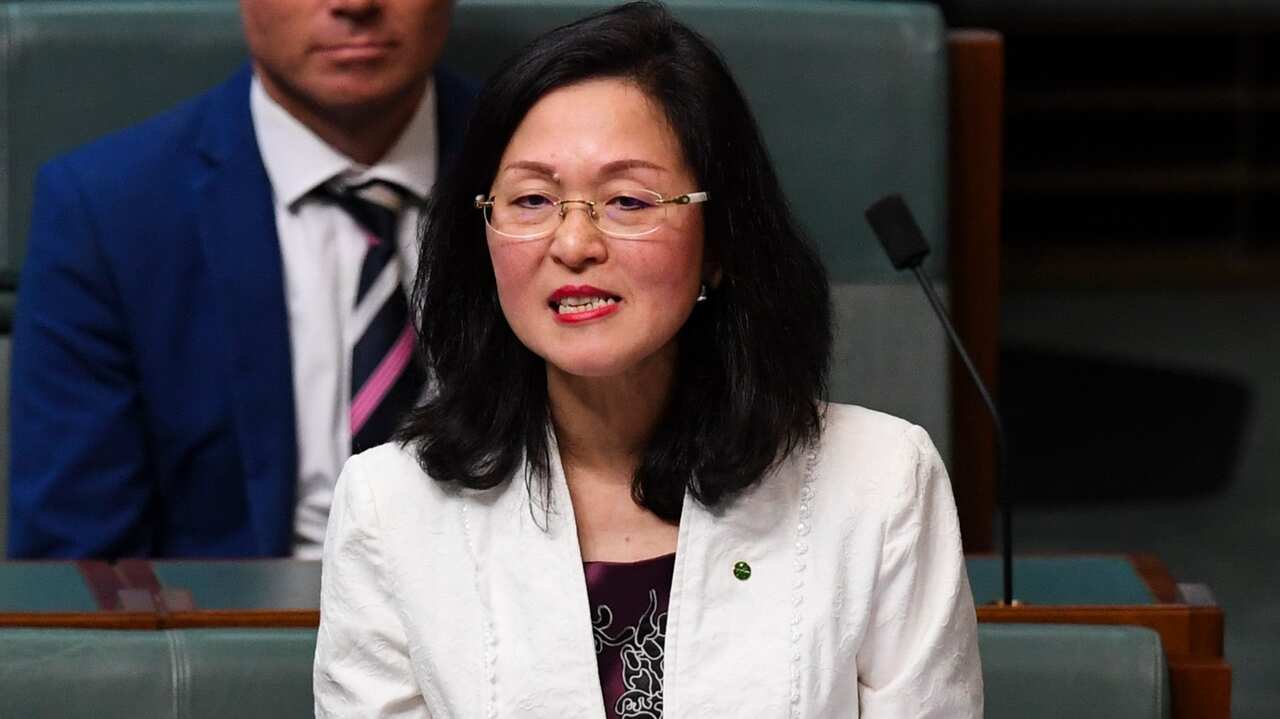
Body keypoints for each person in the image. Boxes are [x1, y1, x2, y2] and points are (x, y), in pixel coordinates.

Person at [313, 2, 981, 716]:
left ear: (719, 242)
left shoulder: (882, 484)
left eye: (628, 200)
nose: (573, 243)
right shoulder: (390, 506)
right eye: (532, 199)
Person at [8, 0, 473, 558]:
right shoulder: (106, 210)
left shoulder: (562, 175)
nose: (356, 5)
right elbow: (79, 561)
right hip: (240, 626)